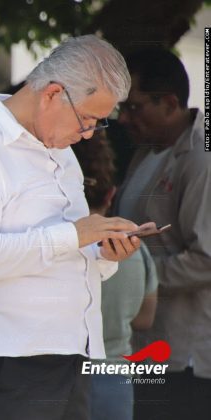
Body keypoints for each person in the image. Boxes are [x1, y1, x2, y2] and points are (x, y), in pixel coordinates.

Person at [0, 35, 147, 420]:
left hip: (75, 352)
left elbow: (68, 251)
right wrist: (77, 234)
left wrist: (104, 253)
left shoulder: (62, 154)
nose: (88, 134)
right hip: (14, 358)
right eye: (87, 120)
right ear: (52, 94)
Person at [113, 48, 211, 420]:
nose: (124, 118)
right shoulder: (149, 150)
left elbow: (206, 260)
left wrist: (135, 280)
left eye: (134, 107)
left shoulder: (201, 158)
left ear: (169, 103)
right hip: (143, 344)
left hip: (184, 356)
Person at [72, 135, 158, 420]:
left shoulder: (49, 247)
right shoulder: (134, 247)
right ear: (111, 195)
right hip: (114, 377)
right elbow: (145, 318)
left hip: (59, 376)